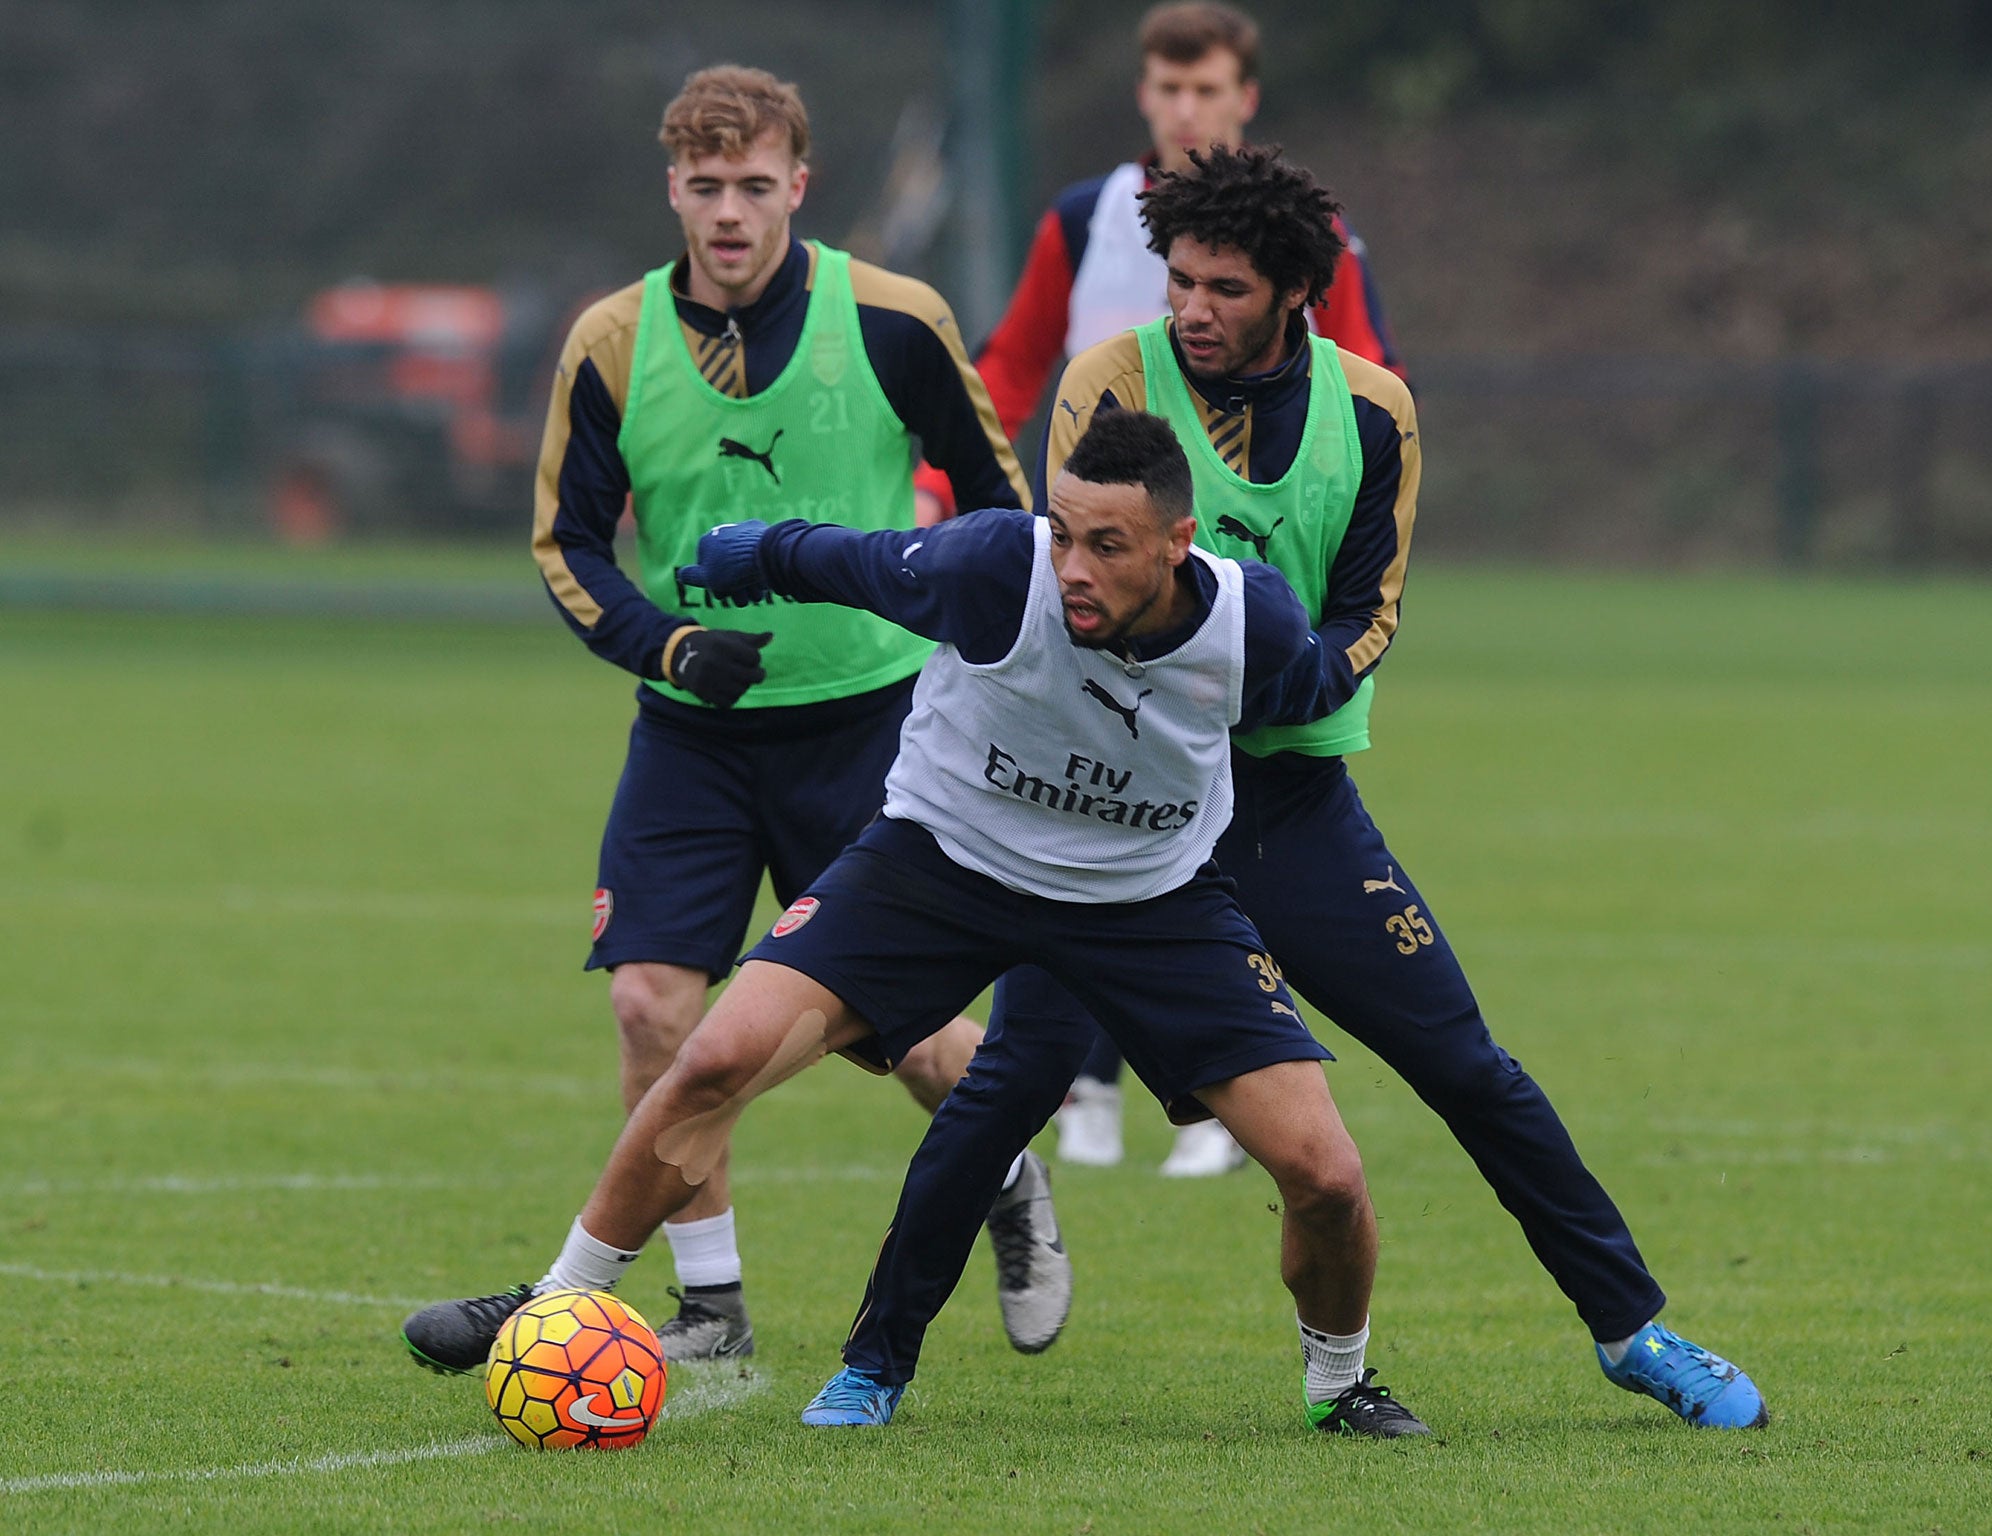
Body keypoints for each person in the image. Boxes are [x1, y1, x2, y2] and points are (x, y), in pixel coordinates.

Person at [809, 145, 1769, 1433]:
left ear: (1294, 292)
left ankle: (1635, 1333)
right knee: (1008, 1083)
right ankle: (873, 1366)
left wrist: (1296, 683)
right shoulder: (1109, 385)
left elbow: (1367, 610)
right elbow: (1067, 583)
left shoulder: (1373, 411)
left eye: (1222, 286)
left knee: (1470, 1069)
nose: (1189, 309)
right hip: (1115, 807)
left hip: (1286, 809)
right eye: (1179, 281)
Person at [427, 409, 1432, 1439]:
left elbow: (1311, 683)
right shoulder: (998, 569)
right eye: (1064, 532)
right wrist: (754, 553)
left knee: (1325, 1174)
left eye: (1108, 545)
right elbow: (847, 559)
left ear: (1179, 544)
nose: (1073, 566)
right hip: (938, 867)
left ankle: (1338, 1384)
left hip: (1149, 901)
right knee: (714, 1059)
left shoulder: (1247, 621)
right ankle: (556, 1302)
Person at [402, 64, 1067, 1373]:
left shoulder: (892, 321)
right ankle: (710, 1308)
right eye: (704, 188)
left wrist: (989, 658)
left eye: (753, 187)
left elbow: (1005, 511)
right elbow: (565, 544)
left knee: (924, 1045)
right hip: (692, 738)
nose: (727, 213)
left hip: (876, 733)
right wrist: (669, 641)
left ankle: (1013, 1185)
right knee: (653, 1005)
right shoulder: (610, 340)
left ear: (798, 188)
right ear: (673, 188)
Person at [920, 0, 1404, 1177]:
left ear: (1243, 100)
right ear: (1143, 95)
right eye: (1166, 89)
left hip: (1238, 603)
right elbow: (1007, 363)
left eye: (1208, 91)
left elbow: (1363, 379)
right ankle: (1081, 1084)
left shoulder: (1308, 244)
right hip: (1098, 568)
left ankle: (1228, 1069)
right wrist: (946, 483)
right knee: (1062, 799)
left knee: (1220, 830)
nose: (1185, 107)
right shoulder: (1086, 221)